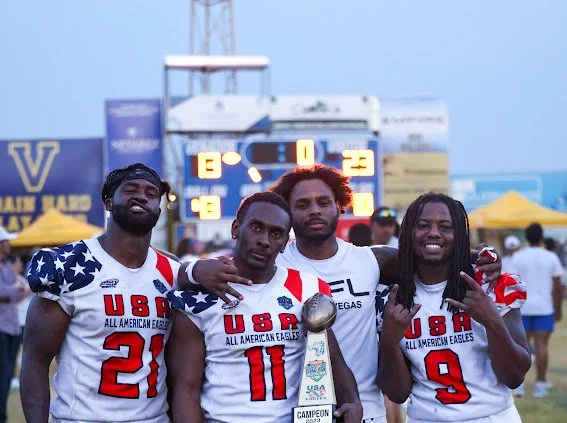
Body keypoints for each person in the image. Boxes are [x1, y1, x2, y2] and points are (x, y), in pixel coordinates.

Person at [183, 165, 502, 423]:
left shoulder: (371, 260)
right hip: (298, 411)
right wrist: (195, 270)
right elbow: (193, 278)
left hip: (364, 406)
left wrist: (479, 254)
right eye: (303, 205)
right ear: (288, 215)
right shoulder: (272, 259)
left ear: (340, 206)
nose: (315, 211)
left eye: (323, 202)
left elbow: (430, 254)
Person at [166, 192, 362, 422]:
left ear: (284, 243)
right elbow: (186, 390)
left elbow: (332, 356)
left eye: (276, 233)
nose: (264, 240)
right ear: (236, 228)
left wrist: (352, 401)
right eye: (256, 227)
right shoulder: (199, 298)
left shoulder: (307, 288)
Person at [21, 163, 181, 423]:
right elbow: (35, 360)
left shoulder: (173, 273)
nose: (142, 196)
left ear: (158, 210)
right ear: (108, 202)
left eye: (152, 194)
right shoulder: (70, 265)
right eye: (130, 189)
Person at [376, 192, 530, 422]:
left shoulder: (490, 284)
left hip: (493, 416)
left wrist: (491, 321)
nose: (434, 233)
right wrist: (389, 342)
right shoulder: (393, 298)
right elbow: (397, 394)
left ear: (460, 235)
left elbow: (514, 377)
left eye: (445, 227)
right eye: (423, 225)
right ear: (408, 233)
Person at [509, 223, 565, 398]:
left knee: (520, 348)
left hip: (522, 309)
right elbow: (558, 286)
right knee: (542, 347)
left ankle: (519, 386)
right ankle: (540, 384)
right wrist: (557, 308)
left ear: (526, 238)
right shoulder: (551, 257)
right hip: (544, 308)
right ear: (541, 238)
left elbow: (511, 284)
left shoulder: (517, 257)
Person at [0, 227, 25, 423]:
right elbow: (6, 292)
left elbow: (19, 291)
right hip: (1, 329)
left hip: (11, 327)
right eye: (5, 241)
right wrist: (14, 288)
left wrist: (14, 289)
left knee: (7, 376)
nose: (8, 245)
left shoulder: (6, 267)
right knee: (2, 375)